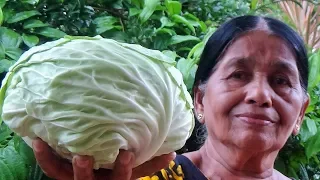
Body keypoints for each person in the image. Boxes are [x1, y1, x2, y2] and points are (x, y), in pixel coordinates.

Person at [32, 15, 310, 180]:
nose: (260, 94)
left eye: (281, 81)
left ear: (300, 113)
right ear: (199, 100)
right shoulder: (144, 177)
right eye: (238, 74)